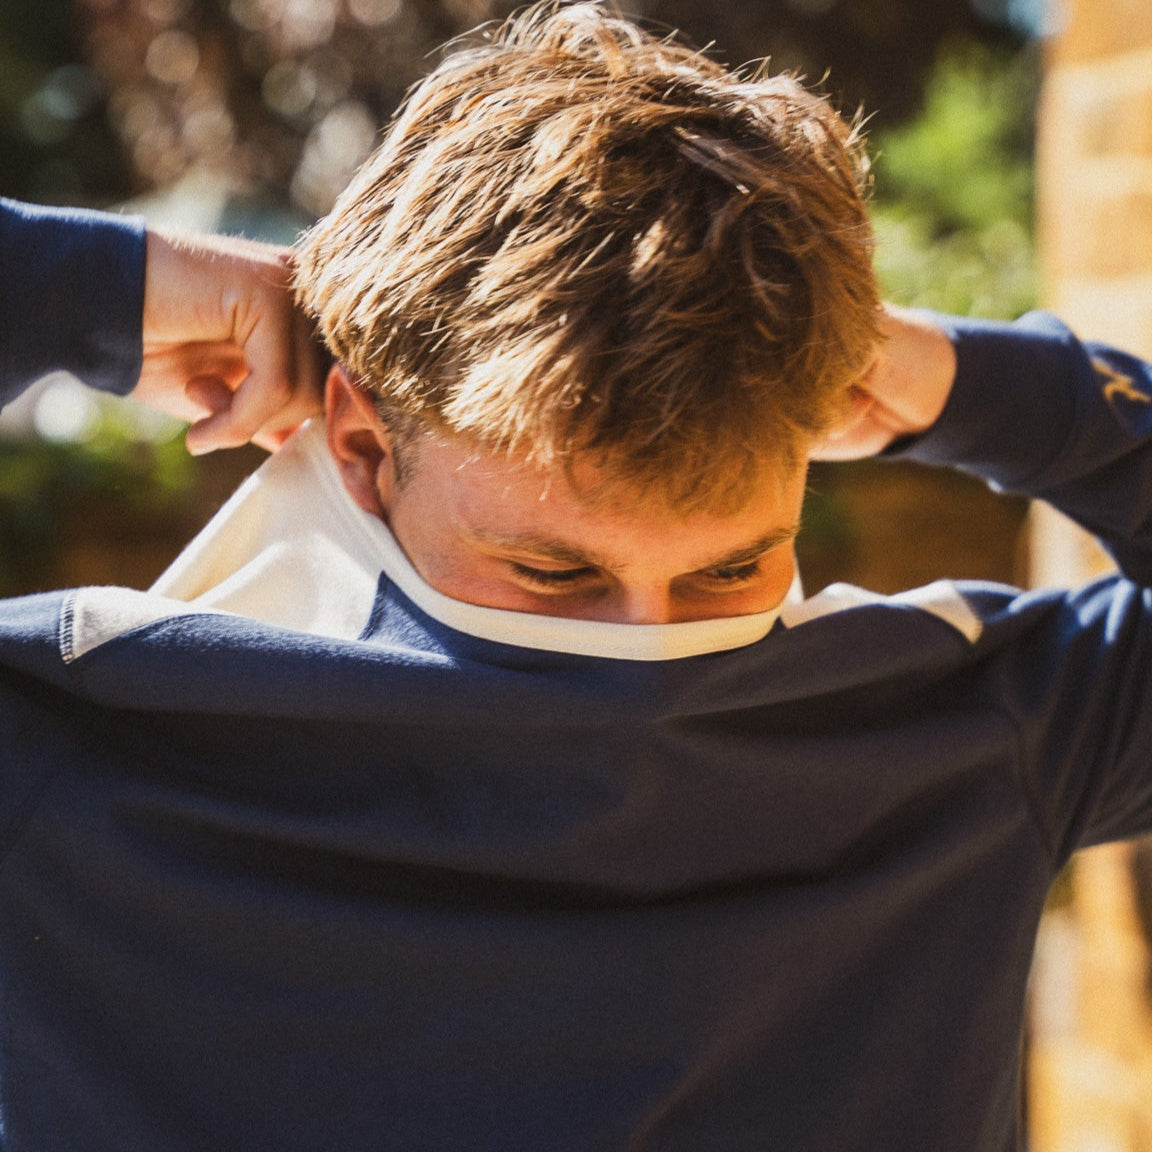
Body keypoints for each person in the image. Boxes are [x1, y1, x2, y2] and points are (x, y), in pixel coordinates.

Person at [1, 5, 1152, 1150]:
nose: (642, 651)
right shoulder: (72, 732)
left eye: (732, 567)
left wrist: (960, 378)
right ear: (360, 446)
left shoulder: (975, 728)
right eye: (553, 570)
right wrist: (99, 284)